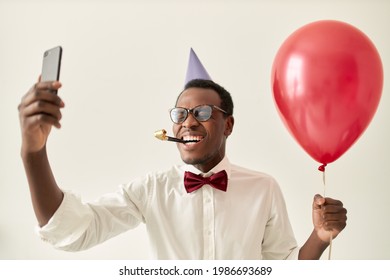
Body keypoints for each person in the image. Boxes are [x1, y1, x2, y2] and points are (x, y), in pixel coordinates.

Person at [18, 51, 347, 260]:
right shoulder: (151, 190)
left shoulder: (264, 188)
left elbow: (285, 270)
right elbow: (73, 232)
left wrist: (319, 237)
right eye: (180, 114)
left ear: (228, 124)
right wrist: (33, 153)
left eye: (203, 112)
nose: (189, 121)